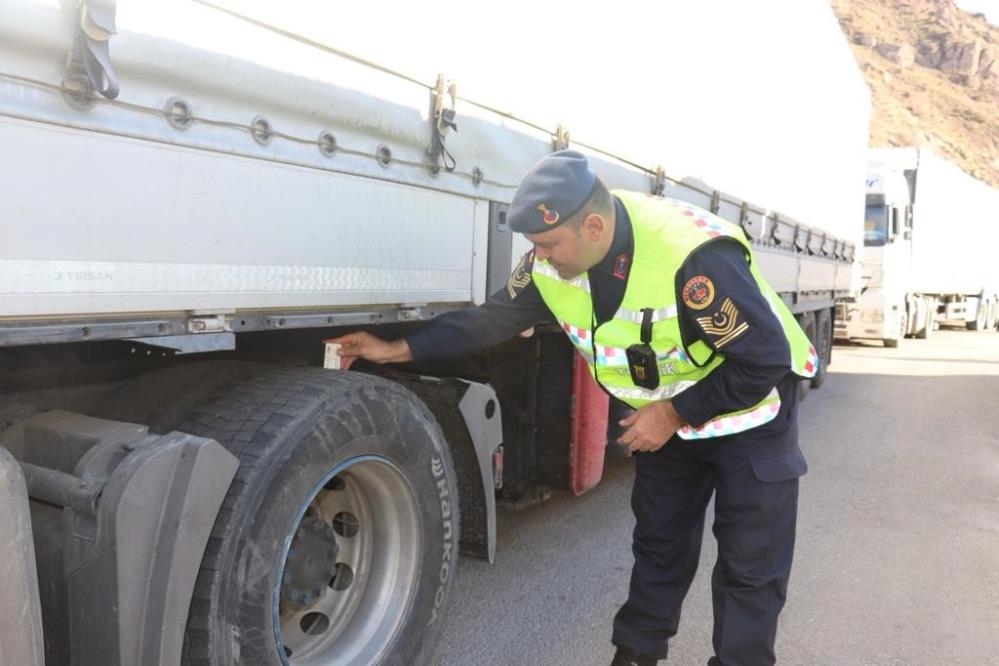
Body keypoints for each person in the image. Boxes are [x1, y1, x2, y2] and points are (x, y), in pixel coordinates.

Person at [329, 150, 818, 665]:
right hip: (665, 423)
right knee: (659, 546)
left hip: (748, 417)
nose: (540, 257)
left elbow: (763, 358)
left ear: (592, 225)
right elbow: (488, 321)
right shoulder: (551, 265)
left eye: (547, 244)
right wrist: (395, 349)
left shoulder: (691, 258)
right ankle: (635, 656)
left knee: (750, 563)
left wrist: (673, 413)